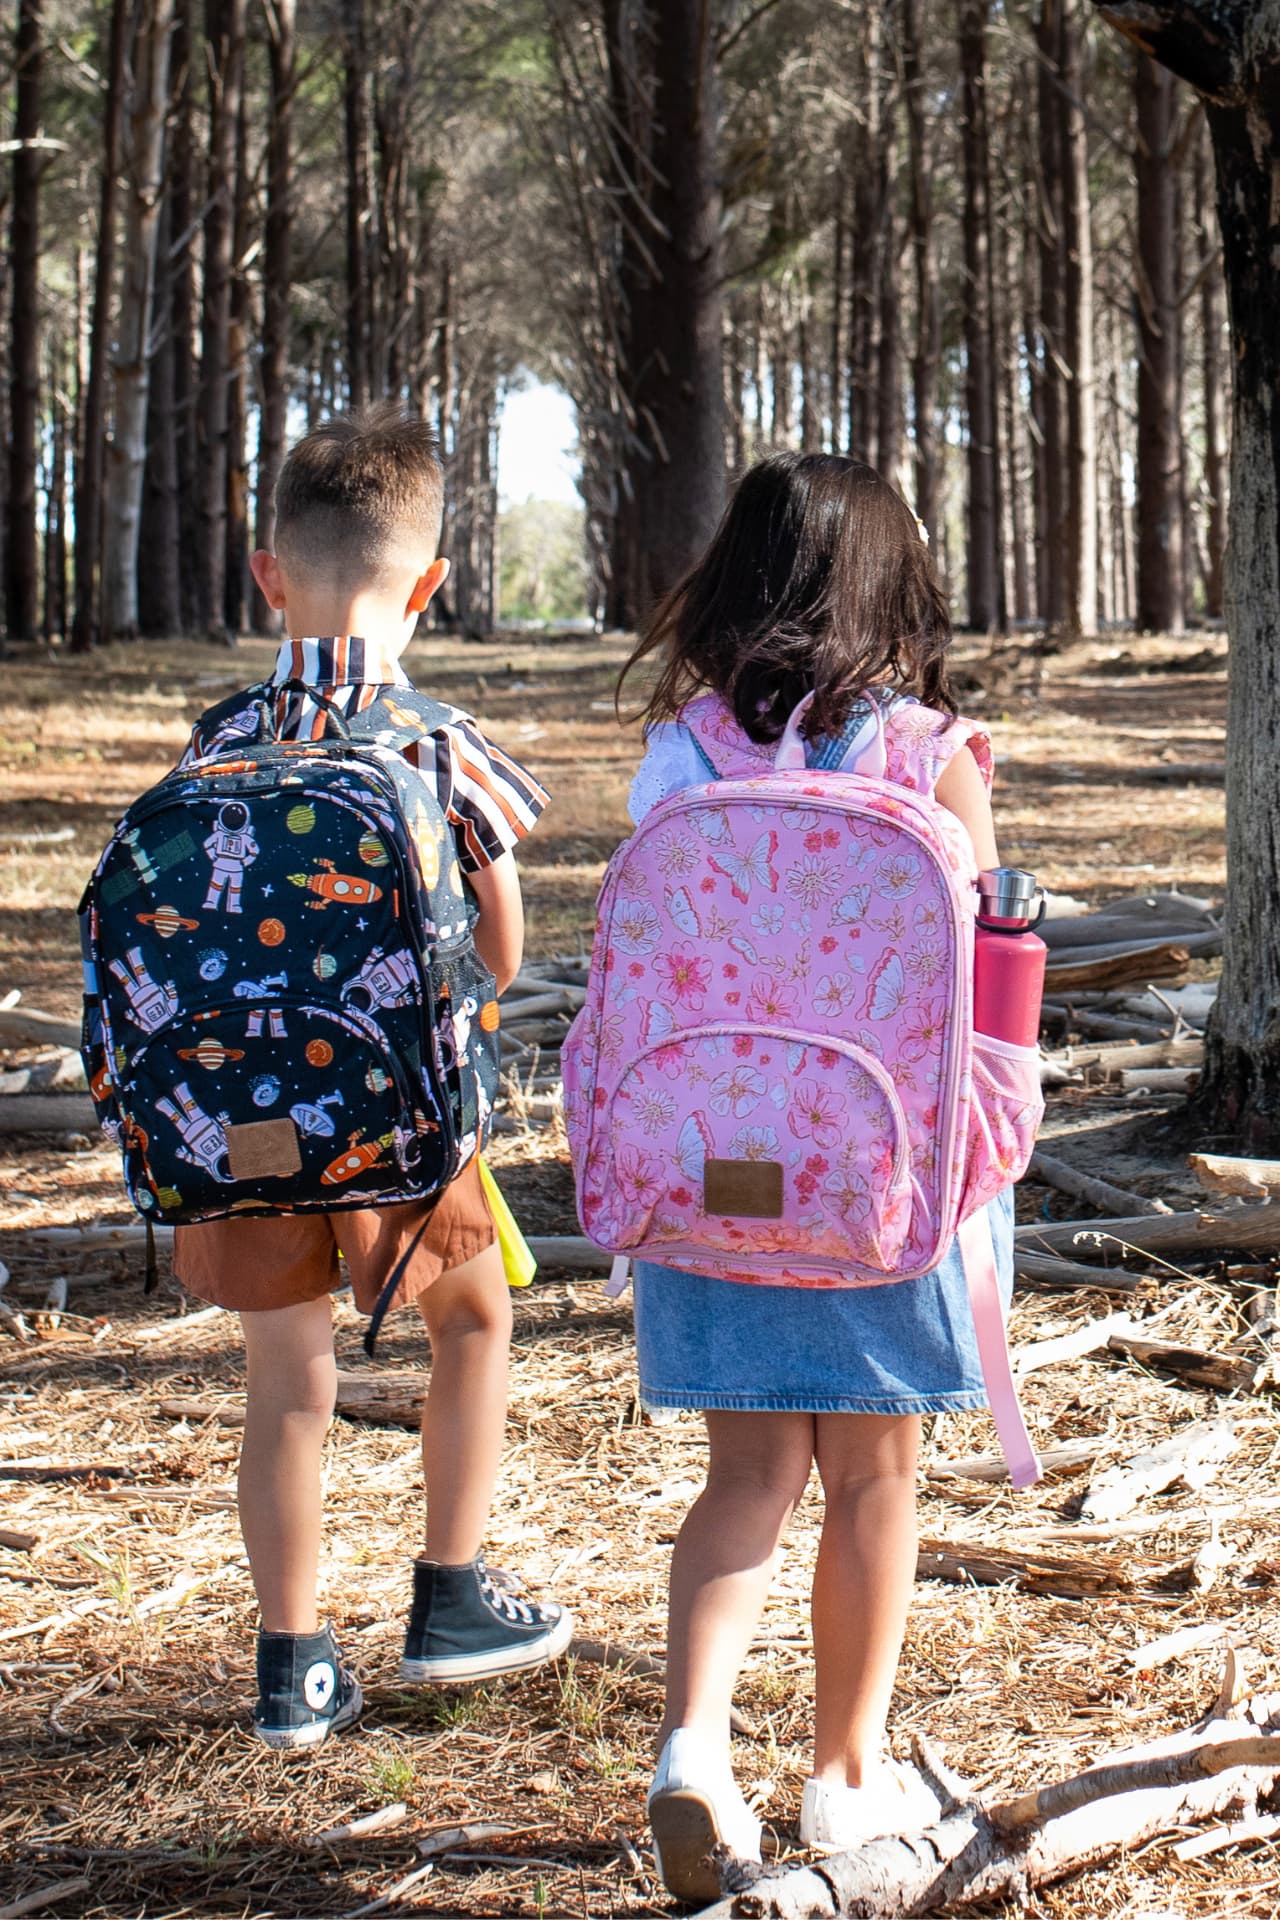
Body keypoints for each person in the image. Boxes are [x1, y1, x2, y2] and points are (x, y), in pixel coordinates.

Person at [617, 453, 1015, 1898]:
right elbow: (985, 956)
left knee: (746, 1477)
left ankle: (694, 1749)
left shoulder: (685, 753)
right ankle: (847, 1776)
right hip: (883, 1186)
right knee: (871, 1477)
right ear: (893, 587)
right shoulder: (930, 751)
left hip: (713, 1172)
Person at [172, 405, 571, 1750]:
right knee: (472, 1327)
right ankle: (450, 1598)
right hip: (400, 1115)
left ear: (266, 574)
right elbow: (501, 943)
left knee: (286, 1380)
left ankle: (293, 1673)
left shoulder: (214, 740)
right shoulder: (439, 740)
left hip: (235, 1122)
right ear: (432, 587)